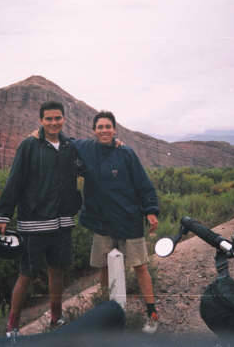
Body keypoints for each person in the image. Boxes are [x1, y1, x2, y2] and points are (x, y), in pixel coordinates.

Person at [0, 100, 82, 339]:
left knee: (57, 271)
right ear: (41, 120)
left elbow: (91, 162)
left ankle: (56, 316)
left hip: (63, 222)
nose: (53, 123)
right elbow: (15, 181)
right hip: (33, 222)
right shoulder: (29, 146)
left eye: (57, 118)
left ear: (64, 119)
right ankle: (12, 326)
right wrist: (2, 214)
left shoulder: (70, 147)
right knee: (27, 273)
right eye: (49, 119)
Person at [74, 110, 161, 334]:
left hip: (129, 219)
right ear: (94, 130)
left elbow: (142, 183)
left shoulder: (126, 153)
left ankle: (151, 312)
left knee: (140, 266)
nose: (104, 130)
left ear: (114, 129)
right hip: (101, 221)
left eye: (108, 126)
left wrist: (150, 210)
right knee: (103, 267)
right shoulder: (86, 149)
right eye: (100, 127)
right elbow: (66, 142)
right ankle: (105, 312)